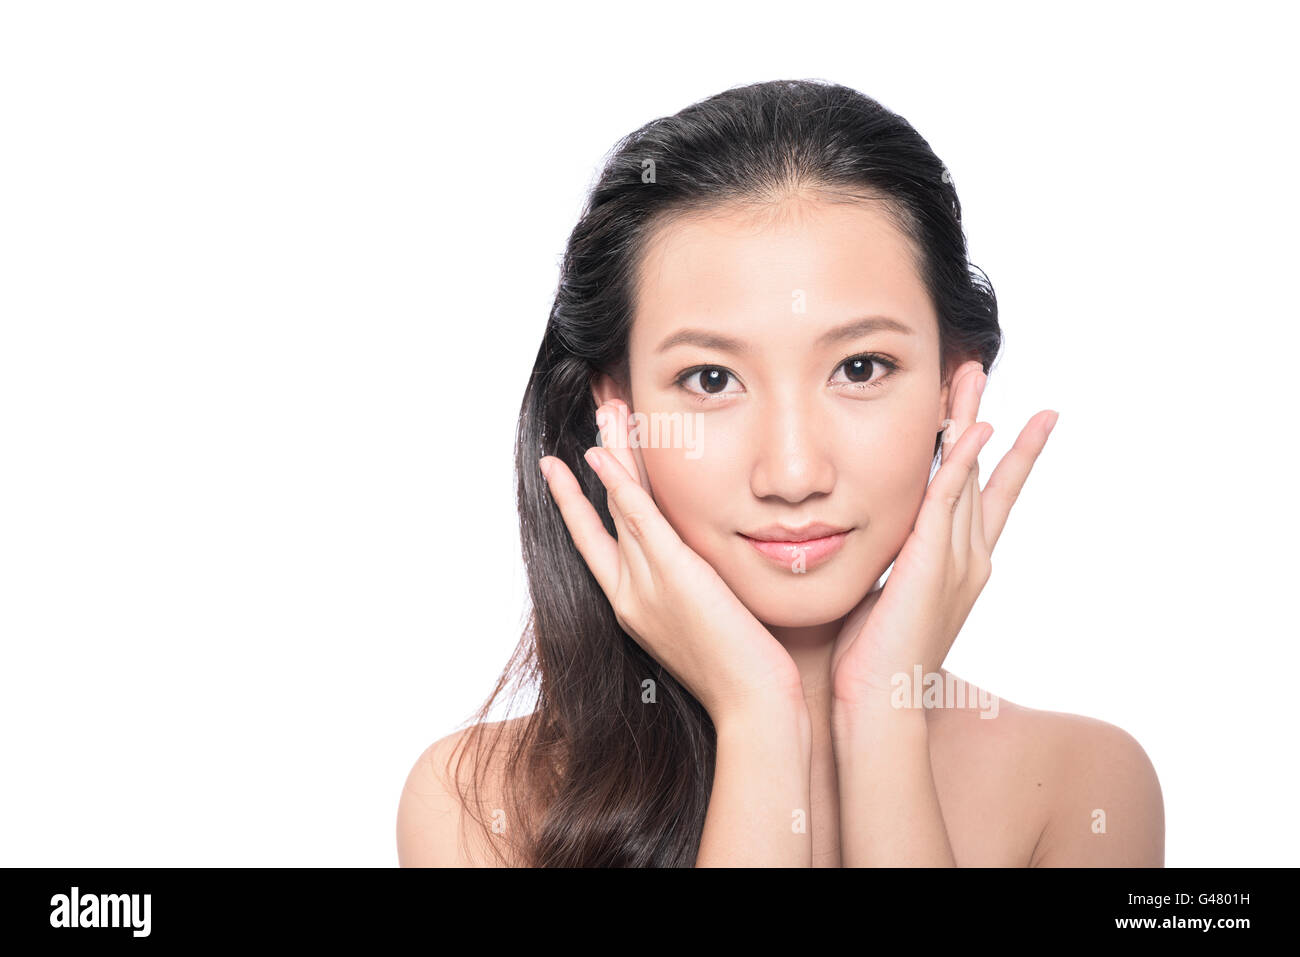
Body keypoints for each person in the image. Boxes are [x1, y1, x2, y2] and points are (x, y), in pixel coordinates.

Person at [396, 78, 1164, 867]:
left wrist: (882, 718)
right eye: (711, 380)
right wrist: (759, 717)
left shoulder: (1084, 788)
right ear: (616, 410)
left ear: (951, 385)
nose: (793, 473)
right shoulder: (479, 804)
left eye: (861, 367)